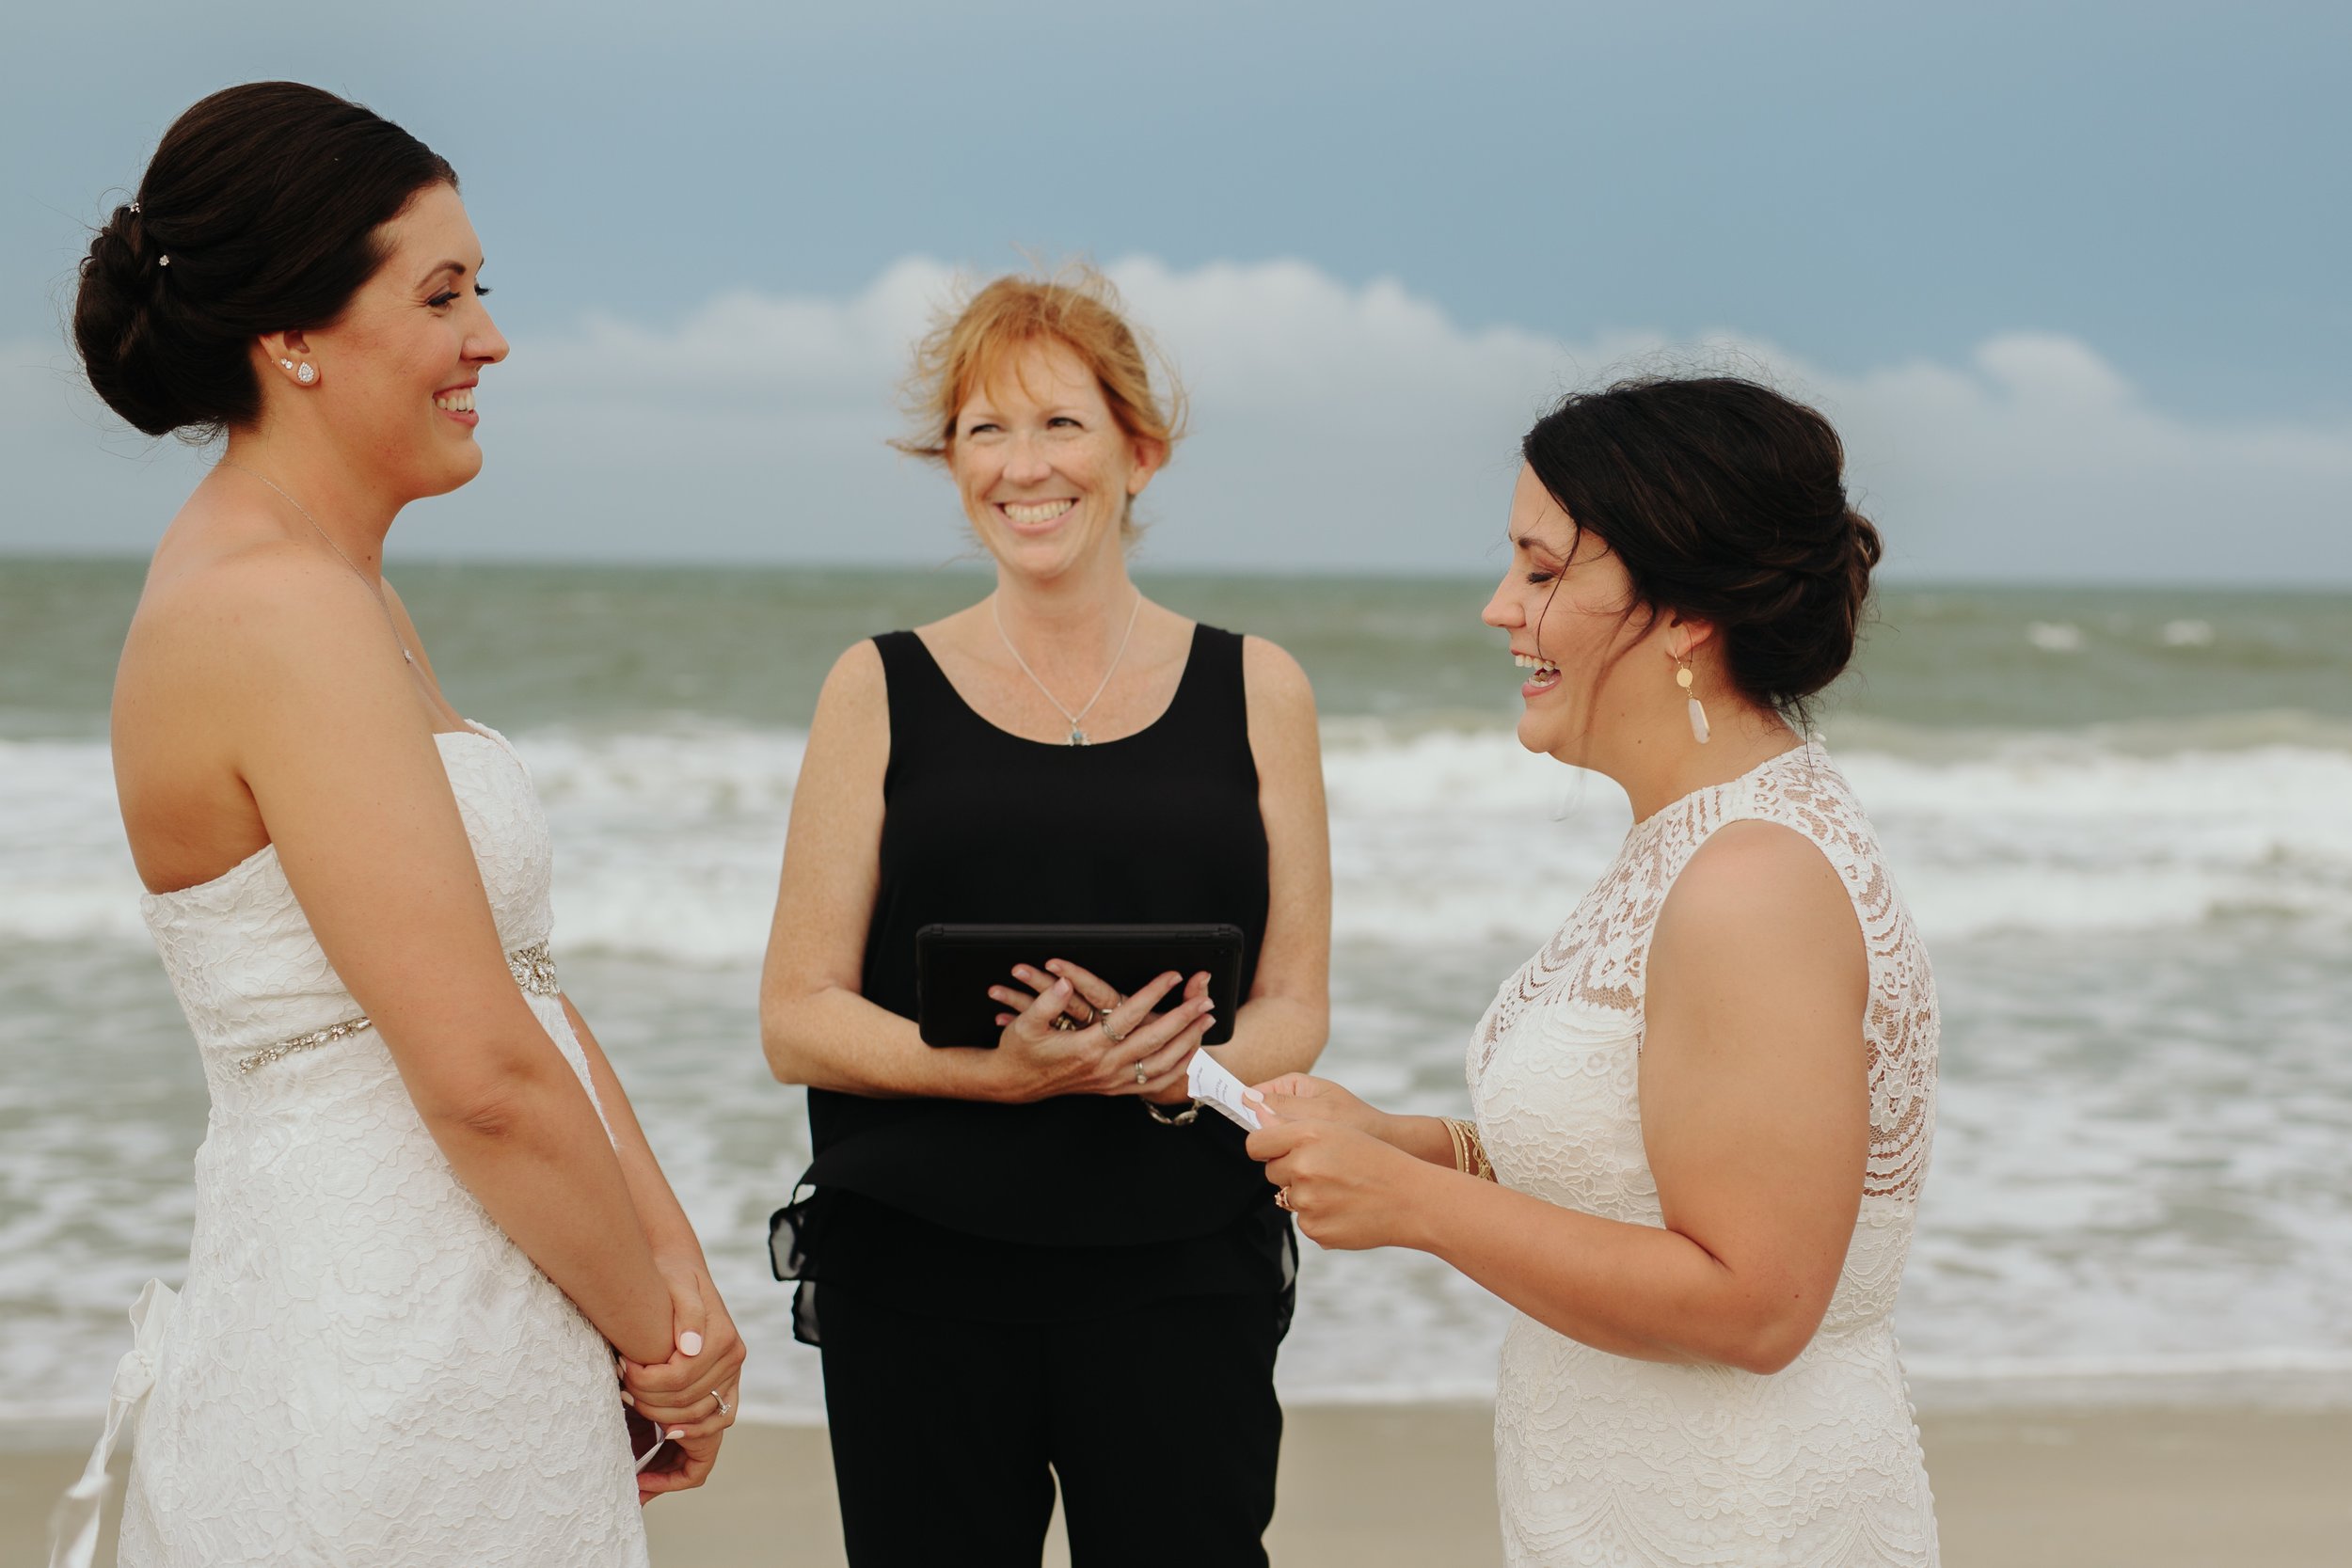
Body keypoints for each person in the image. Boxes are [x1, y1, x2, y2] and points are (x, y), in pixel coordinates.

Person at [57, 83, 741, 1568]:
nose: (488, 337)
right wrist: (656, 1339)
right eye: (441, 294)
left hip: (486, 1300)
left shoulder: (343, 588)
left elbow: (523, 984)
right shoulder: (274, 610)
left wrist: (675, 1278)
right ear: (291, 335)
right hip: (386, 1340)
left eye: (481, 288)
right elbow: (480, 1076)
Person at [1246, 377, 1941, 1565]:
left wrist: (1416, 1210)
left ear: (1680, 611)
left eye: (1541, 568)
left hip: (1736, 1519)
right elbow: (1635, 1163)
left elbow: (1756, 1301)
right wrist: (1408, 1142)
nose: (1499, 607)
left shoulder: (1749, 879)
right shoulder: (1693, 835)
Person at [760, 265, 1330, 1567]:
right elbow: (795, 1015)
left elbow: (1296, 1002)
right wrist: (997, 1074)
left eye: (1060, 423)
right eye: (984, 429)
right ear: (951, 460)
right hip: (919, 1265)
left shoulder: (1260, 686)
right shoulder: (876, 685)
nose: (1024, 465)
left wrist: (1179, 1064)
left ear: (1140, 449)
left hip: (1183, 1258)